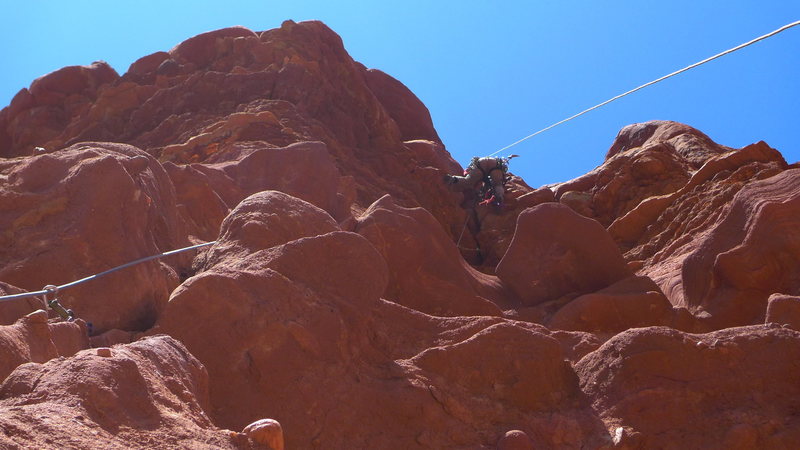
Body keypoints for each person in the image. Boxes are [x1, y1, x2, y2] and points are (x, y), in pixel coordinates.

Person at [443, 155, 517, 207]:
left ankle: (453, 179)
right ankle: (499, 198)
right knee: (498, 184)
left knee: (468, 181)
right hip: (496, 164)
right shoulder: (498, 169)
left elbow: (467, 172)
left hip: (480, 162)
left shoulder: (475, 170)